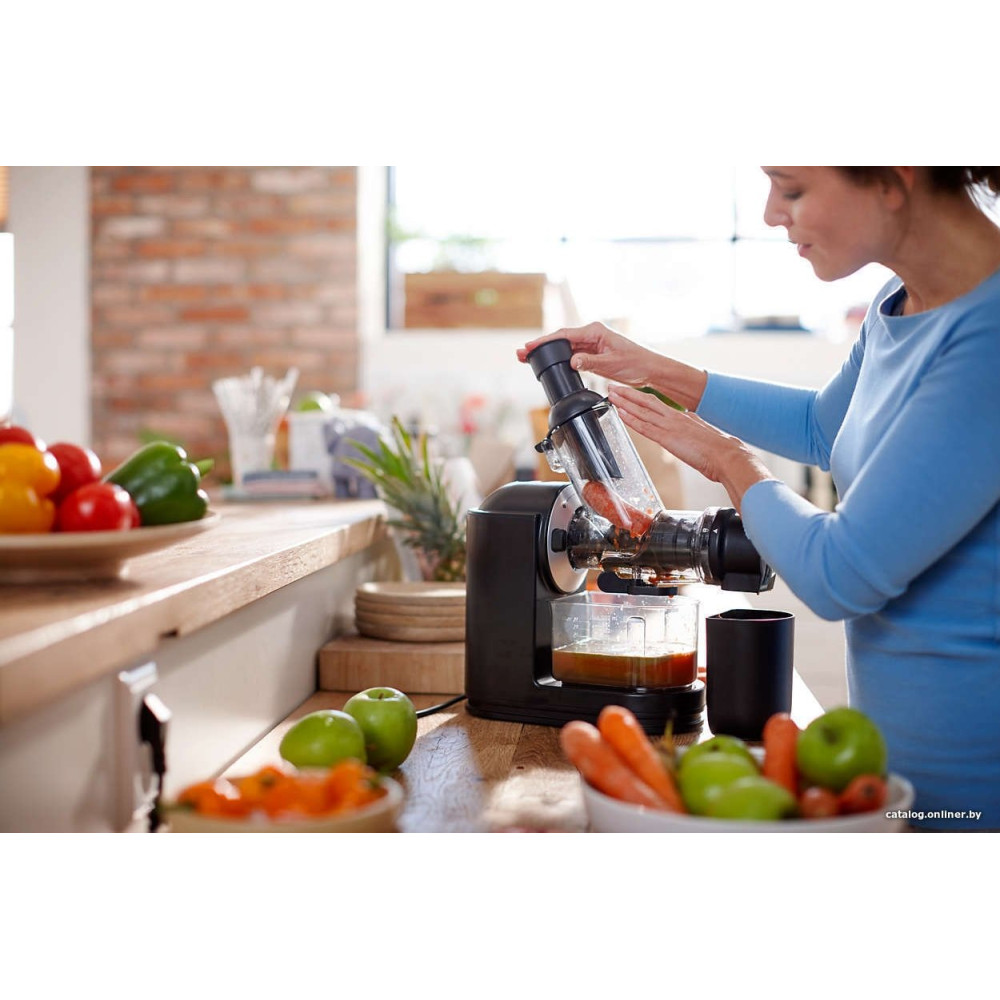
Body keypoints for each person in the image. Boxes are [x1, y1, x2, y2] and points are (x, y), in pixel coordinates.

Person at [519, 167, 1000, 831]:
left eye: (792, 188)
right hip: (887, 765)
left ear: (897, 177)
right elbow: (823, 428)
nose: (773, 212)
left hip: (974, 779)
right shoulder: (902, 302)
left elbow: (842, 573)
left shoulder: (989, 339)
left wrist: (729, 461)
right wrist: (653, 370)